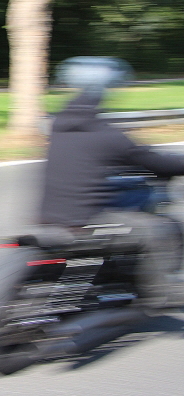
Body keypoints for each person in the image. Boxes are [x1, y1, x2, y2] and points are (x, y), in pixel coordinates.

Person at [38, 56, 184, 304]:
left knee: (125, 195)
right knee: (161, 228)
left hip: (47, 216)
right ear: (107, 89)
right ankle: (163, 289)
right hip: (85, 221)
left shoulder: (57, 125)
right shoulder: (107, 134)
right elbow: (152, 161)